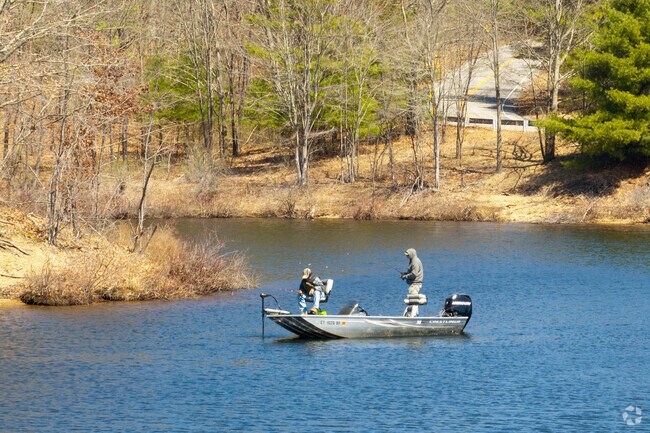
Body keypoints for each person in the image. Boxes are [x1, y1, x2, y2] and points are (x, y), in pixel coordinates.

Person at [401, 248, 423, 317]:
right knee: (414, 301)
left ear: (412, 254)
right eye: (406, 255)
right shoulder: (412, 261)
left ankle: (413, 317)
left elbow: (414, 274)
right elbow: (411, 272)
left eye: (408, 255)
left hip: (415, 284)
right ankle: (415, 315)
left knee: (413, 302)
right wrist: (405, 274)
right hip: (414, 284)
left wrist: (405, 276)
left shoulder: (415, 262)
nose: (407, 256)